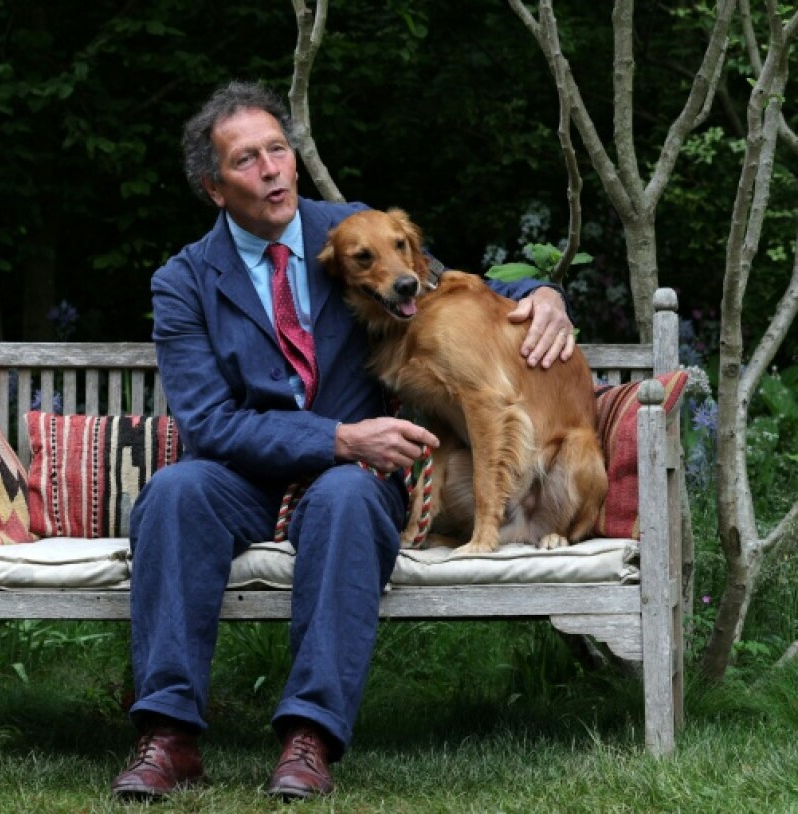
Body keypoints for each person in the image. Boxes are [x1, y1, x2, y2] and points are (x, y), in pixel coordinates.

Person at [110, 79, 577, 802]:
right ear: (214, 187)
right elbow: (209, 422)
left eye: (278, 150)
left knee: (351, 500)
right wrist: (337, 435)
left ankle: (309, 737)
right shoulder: (184, 282)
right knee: (172, 491)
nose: (270, 169)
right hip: (242, 471)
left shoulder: (353, 234)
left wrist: (544, 295)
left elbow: (449, 283)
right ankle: (168, 736)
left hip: (355, 477)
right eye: (247, 160)